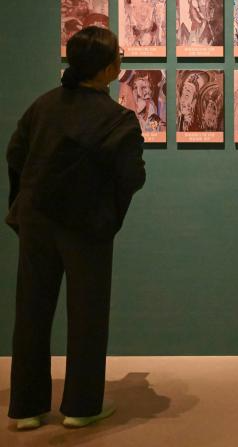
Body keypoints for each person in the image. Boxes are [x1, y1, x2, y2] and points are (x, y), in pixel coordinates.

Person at [6, 26, 146, 430]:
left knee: (31, 310)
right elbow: (132, 176)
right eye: (118, 54)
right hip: (86, 226)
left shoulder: (43, 106)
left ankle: (27, 408)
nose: (121, 59)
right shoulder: (117, 119)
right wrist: (106, 208)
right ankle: (81, 407)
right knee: (88, 313)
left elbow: (15, 154)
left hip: (37, 220)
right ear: (106, 68)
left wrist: (27, 200)